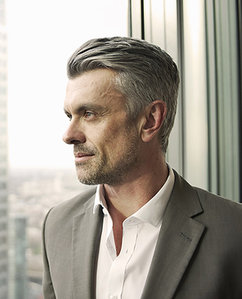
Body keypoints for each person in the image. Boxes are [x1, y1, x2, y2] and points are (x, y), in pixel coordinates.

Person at [42, 37, 242, 299]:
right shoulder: (57, 225)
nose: (69, 135)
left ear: (150, 120)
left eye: (89, 114)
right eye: (70, 116)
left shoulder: (234, 231)